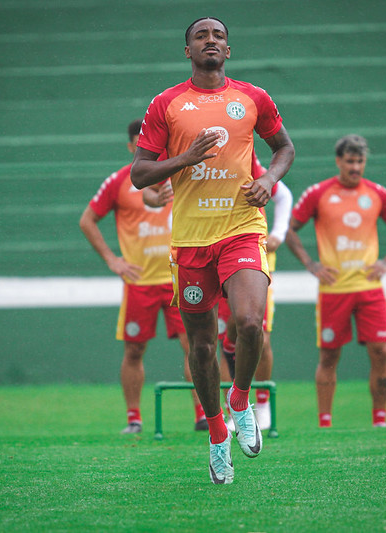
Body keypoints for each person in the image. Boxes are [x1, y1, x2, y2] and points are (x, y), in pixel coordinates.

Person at [130, 17, 295, 484]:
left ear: (229, 50)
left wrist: (267, 179)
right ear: (188, 51)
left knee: (248, 322)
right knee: (201, 347)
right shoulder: (167, 104)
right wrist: (186, 158)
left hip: (241, 228)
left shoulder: (253, 98)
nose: (210, 41)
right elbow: (140, 174)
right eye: (200, 36)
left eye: (218, 36)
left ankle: (240, 398)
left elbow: (285, 149)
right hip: (190, 240)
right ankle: (217, 432)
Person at [79, 119, 207, 435]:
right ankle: (134, 418)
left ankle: (203, 414)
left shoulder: (179, 175)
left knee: (195, 346)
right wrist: (113, 260)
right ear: (130, 147)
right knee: (134, 350)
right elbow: (87, 220)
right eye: (137, 143)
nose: (143, 148)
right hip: (139, 284)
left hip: (178, 277)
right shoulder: (119, 182)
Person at [286, 134, 386, 429]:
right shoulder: (319, 193)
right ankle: (325, 423)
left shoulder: (377, 193)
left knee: (381, 351)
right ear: (338, 161)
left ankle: (380, 420)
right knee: (329, 355)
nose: (355, 167)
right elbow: (289, 229)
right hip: (334, 290)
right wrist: (311, 265)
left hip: (369, 288)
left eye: (360, 161)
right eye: (350, 161)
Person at [217, 157, 293, 432]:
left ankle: (261, 404)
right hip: (214, 257)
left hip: (252, 260)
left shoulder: (244, 156)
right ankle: (234, 408)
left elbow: (282, 194)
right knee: (225, 338)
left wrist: (278, 233)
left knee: (259, 333)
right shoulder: (200, 160)